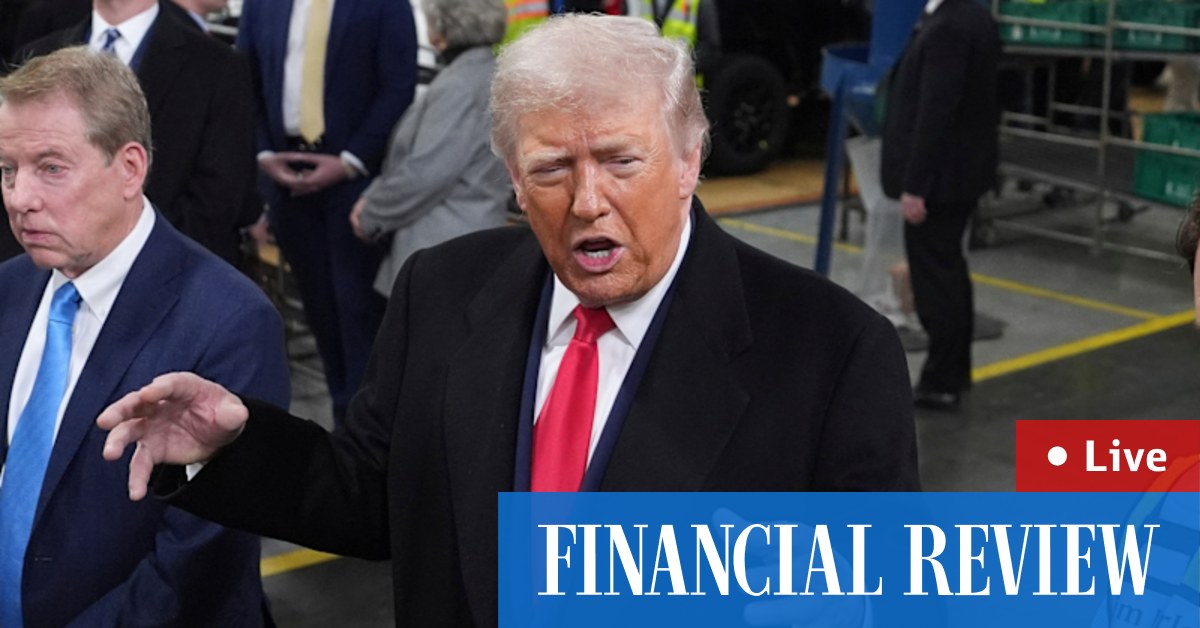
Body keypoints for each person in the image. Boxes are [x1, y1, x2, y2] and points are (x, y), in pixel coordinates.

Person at [98, 15, 918, 627]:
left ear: (689, 158)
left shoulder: (833, 351)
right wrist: (230, 449)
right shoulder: (443, 290)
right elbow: (375, 495)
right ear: (514, 183)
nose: (588, 199)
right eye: (552, 169)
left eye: (621, 161)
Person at [0, 47, 289, 627]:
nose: (19, 197)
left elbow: (195, 565)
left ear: (130, 168)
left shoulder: (230, 322)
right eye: (7, 170)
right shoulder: (9, 286)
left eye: (50, 168)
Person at [236, 0, 417, 423]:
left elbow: (398, 85)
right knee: (321, 318)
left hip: (356, 184)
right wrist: (263, 154)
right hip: (285, 178)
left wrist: (351, 159)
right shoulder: (262, 5)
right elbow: (245, 79)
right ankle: (342, 430)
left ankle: (368, 436)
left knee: (358, 319)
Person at [13, 0, 258, 267]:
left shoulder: (219, 67)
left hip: (170, 271)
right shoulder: (35, 55)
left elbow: (217, 201)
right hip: (44, 270)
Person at [880, 0, 1000, 411]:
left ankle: (942, 381)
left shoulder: (948, 26)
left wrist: (916, 185)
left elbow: (936, 110)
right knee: (950, 270)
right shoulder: (976, 16)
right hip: (960, 175)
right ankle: (954, 372)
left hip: (939, 181)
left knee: (936, 280)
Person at [349, 0, 511, 297]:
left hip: (441, 245)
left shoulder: (458, 85)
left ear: (441, 28)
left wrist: (372, 212)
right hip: (474, 236)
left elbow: (426, 173)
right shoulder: (489, 73)